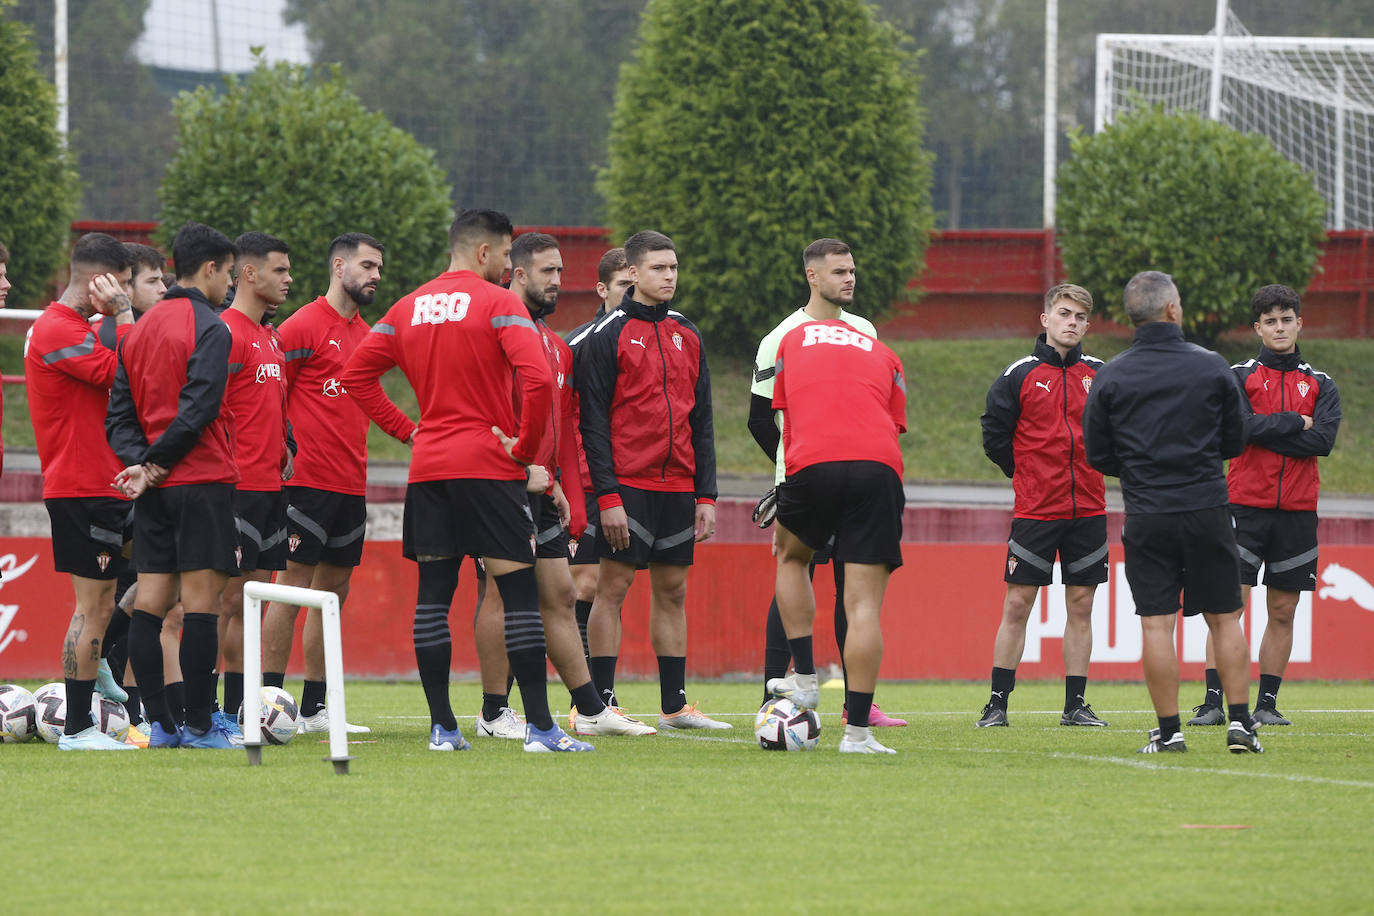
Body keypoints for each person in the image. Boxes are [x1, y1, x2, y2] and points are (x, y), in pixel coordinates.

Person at [343, 208, 591, 752]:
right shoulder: (499, 303)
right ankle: (542, 730)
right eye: (504, 255)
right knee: (519, 597)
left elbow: (356, 375)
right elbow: (536, 379)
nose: (506, 266)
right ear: (484, 252)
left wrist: (409, 431)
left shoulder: (407, 307)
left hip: (430, 470)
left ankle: (443, 729)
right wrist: (523, 451)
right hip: (488, 469)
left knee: (432, 600)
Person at [1081, 270, 1261, 755]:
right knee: (1225, 618)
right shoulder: (1212, 366)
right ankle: (1241, 726)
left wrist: (1139, 470)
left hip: (1148, 511)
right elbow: (1236, 439)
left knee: (1157, 623)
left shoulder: (1111, 374)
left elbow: (1097, 452)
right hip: (1206, 506)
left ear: (1132, 315)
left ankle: (1169, 732)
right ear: (1173, 309)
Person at [748, 238, 905, 727]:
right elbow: (759, 418)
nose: (850, 278)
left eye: (852, 270)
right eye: (839, 272)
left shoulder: (865, 330)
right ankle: (773, 693)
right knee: (797, 573)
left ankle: (853, 703)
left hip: (836, 466)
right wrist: (787, 467)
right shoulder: (779, 337)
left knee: (847, 587)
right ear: (812, 276)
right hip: (806, 471)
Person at [575, 230, 728, 730]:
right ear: (633, 273)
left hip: (679, 486)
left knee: (673, 591)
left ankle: (674, 707)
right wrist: (608, 497)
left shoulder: (688, 333)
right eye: (658, 268)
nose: (669, 276)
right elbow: (592, 425)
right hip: (626, 485)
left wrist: (707, 494)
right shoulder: (607, 334)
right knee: (612, 588)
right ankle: (599, 706)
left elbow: (701, 420)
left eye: (673, 267)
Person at [106, 221, 241, 749]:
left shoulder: (138, 330)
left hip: (155, 490)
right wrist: (157, 463)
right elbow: (199, 408)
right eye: (228, 273)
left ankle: (161, 725)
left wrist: (142, 466)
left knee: (151, 602)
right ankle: (201, 727)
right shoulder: (213, 327)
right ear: (209, 269)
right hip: (202, 480)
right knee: (203, 606)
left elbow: (118, 417)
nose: (229, 284)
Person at [1189, 284, 1341, 727]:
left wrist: (1261, 429)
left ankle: (1267, 705)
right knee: (1228, 608)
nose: (1279, 328)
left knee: (1283, 611)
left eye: (1286, 319)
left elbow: (1322, 441)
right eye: (1270, 321)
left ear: (1299, 323)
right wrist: (1293, 423)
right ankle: (1213, 703)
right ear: (1257, 327)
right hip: (1242, 508)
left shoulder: (1321, 383)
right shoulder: (1238, 377)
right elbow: (1235, 432)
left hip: (1297, 512)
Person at [261, 233, 384, 735]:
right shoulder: (302, 325)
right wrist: (280, 452)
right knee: (290, 591)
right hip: (305, 483)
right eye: (367, 265)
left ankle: (314, 709)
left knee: (331, 595)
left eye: (379, 268)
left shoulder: (368, 334)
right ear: (338, 266)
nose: (376, 275)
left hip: (351, 485)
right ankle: (266, 702)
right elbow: (271, 391)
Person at [976, 283, 1109, 728]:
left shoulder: (1101, 374)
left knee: (1082, 606)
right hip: (1035, 510)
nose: (1072, 322)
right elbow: (994, 433)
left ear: (1088, 325)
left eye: (1080, 317)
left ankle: (1075, 706)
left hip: (1088, 509)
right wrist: (1025, 473)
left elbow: (1119, 431)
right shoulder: (1019, 374)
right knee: (1018, 604)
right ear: (1045, 319)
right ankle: (997, 704)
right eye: (1064, 313)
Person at [24, 232, 138, 750]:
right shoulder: (55, 329)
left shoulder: (78, 328)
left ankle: (103, 663)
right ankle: (76, 727)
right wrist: (125, 315)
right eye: (123, 284)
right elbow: (126, 374)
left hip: (110, 482)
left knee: (152, 576)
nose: (127, 294)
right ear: (101, 282)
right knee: (91, 606)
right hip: (82, 486)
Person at [214, 231, 296, 734]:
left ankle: (238, 709)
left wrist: (286, 444)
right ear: (249, 273)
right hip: (236, 489)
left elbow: (271, 405)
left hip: (270, 488)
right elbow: (209, 406)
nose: (289, 279)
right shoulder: (226, 332)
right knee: (224, 601)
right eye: (279, 270)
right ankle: (207, 712)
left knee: (251, 603)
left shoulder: (272, 336)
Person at [565, 248, 634, 660]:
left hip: (629, 481)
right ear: (602, 289)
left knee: (612, 588)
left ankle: (601, 688)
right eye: (624, 285)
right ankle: (586, 690)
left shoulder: (653, 339)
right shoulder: (577, 344)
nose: (631, 292)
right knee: (587, 584)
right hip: (585, 480)